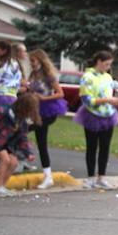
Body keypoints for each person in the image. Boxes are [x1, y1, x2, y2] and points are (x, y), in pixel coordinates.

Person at [73, 50, 118, 189]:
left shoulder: (107, 77)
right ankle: (90, 178)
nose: (108, 67)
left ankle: (102, 177)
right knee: (92, 147)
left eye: (109, 65)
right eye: (106, 64)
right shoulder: (87, 77)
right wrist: (107, 99)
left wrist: (116, 100)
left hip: (108, 115)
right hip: (92, 115)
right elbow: (87, 100)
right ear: (98, 61)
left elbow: (110, 93)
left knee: (105, 147)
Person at [0, 91, 40, 197]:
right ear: (23, 107)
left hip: (6, 142)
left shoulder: (21, 120)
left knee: (14, 162)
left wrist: (28, 152)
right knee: (5, 160)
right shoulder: (4, 110)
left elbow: (23, 137)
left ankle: (2, 186)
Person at [28, 49, 68, 189]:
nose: (31, 63)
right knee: (41, 142)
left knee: (25, 130)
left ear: (40, 60)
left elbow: (60, 93)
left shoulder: (48, 76)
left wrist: (45, 98)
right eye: (30, 61)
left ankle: (24, 155)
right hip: (36, 110)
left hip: (48, 110)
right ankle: (47, 175)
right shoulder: (33, 74)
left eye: (33, 60)